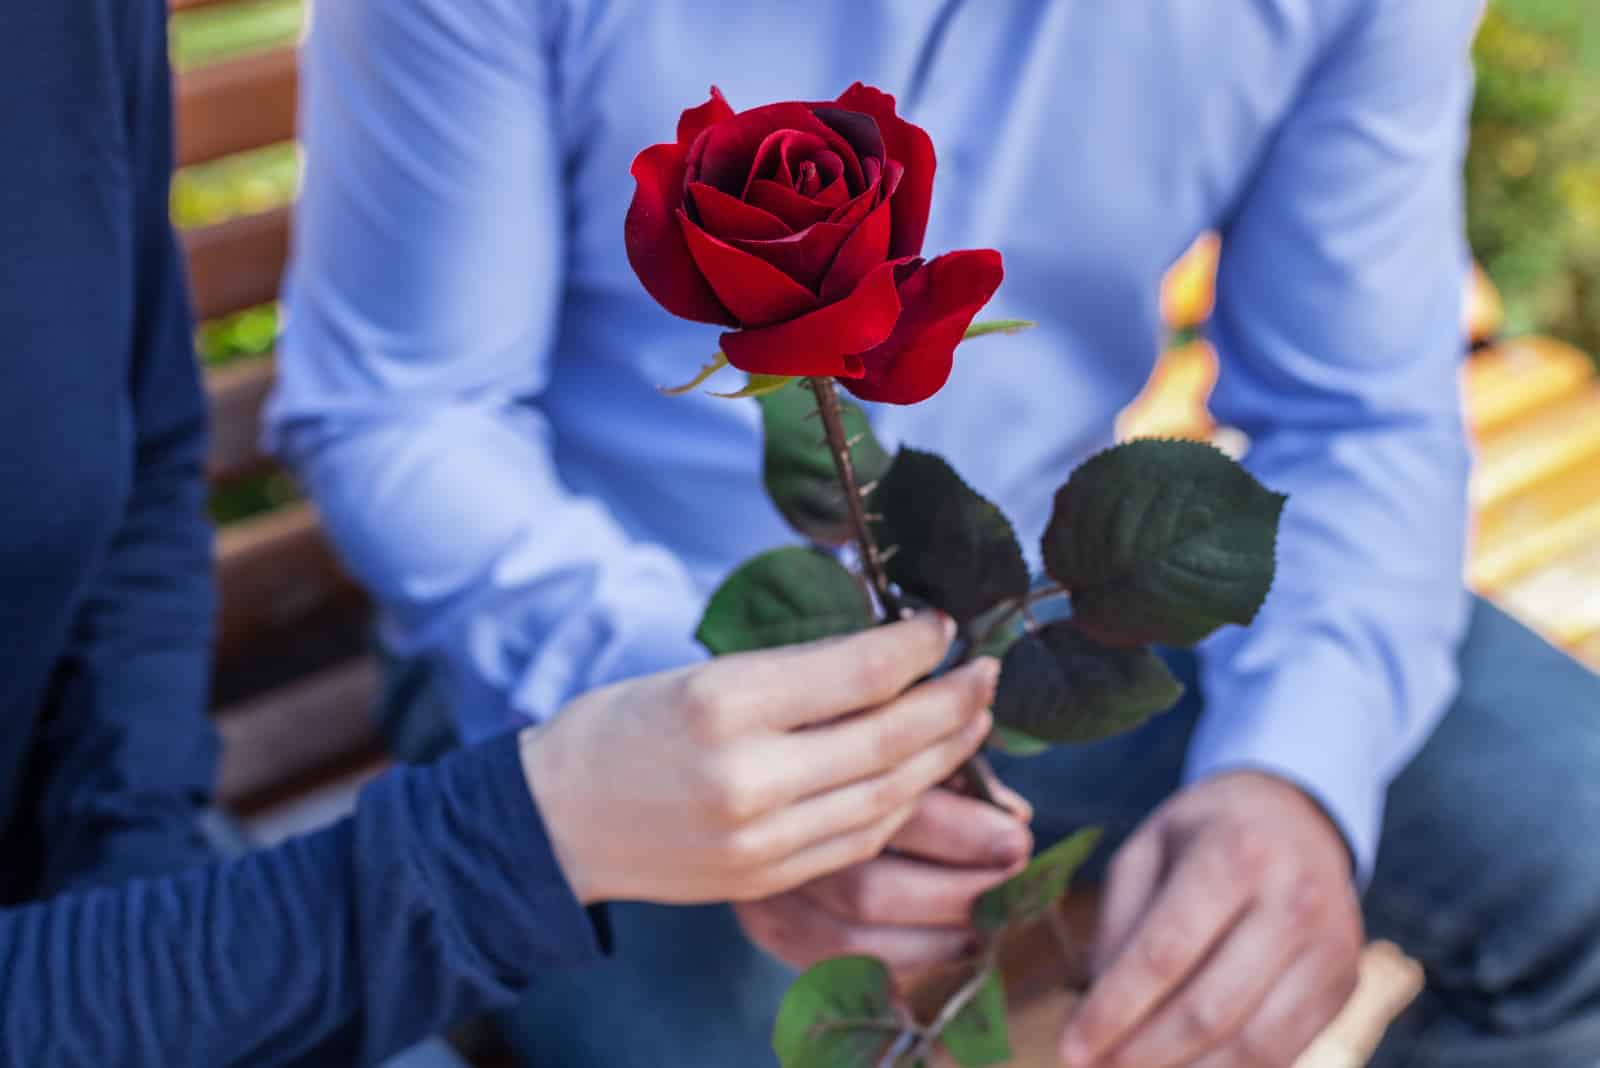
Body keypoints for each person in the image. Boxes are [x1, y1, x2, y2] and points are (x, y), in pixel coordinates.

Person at [272, 1, 1600, 1066]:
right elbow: (406, 410)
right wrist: (700, 746)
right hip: (612, 657)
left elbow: (1357, 417)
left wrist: (1298, 773)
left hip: (1043, 597)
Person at [0, 3, 1004, 1065]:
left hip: (104, 881)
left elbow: (142, 465)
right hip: (555, 756)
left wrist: (147, 897)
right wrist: (541, 829)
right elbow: (399, 416)